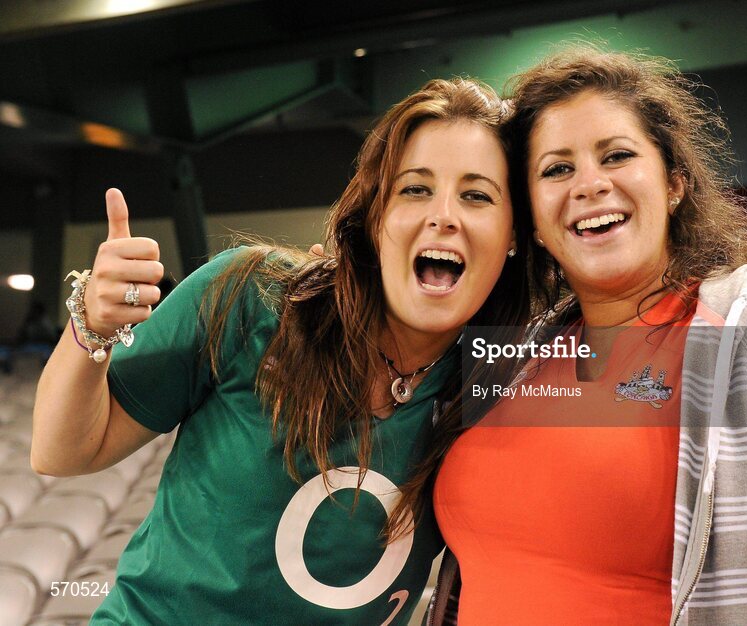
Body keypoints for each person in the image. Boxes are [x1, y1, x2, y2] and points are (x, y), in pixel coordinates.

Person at [429, 48, 747, 625]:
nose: (590, 184)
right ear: (531, 218)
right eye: (557, 169)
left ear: (674, 182)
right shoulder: (517, 356)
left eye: (618, 155)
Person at [31, 78, 529, 624]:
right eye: (414, 189)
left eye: (476, 195)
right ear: (375, 218)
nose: (444, 216)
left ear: (512, 234)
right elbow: (61, 453)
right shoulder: (253, 298)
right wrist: (91, 327)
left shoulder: (504, 381)